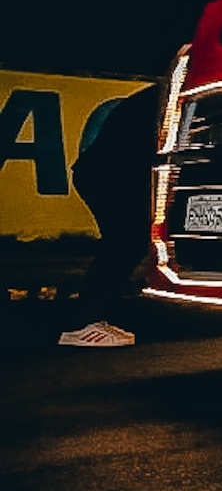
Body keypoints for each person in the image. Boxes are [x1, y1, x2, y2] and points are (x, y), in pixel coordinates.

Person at [58, 81, 164, 348]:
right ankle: (83, 324)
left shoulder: (163, 89)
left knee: (126, 241)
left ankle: (93, 318)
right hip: (110, 172)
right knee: (124, 241)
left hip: (106, 170)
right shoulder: (176, 92)